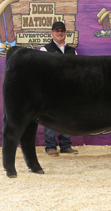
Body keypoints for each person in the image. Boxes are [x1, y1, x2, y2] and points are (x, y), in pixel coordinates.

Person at [39, 22, 79, 157]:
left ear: (65, 33)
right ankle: (50, 147)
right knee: (50, 118)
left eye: (62, 30)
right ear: (52, 33)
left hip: (68, 89)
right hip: (51, 90)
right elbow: (42, 72)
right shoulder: (45, 50)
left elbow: (77, 70)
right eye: (57, 30)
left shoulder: (72, 51)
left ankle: (65, 146)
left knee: (67, 117)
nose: (60, 33)